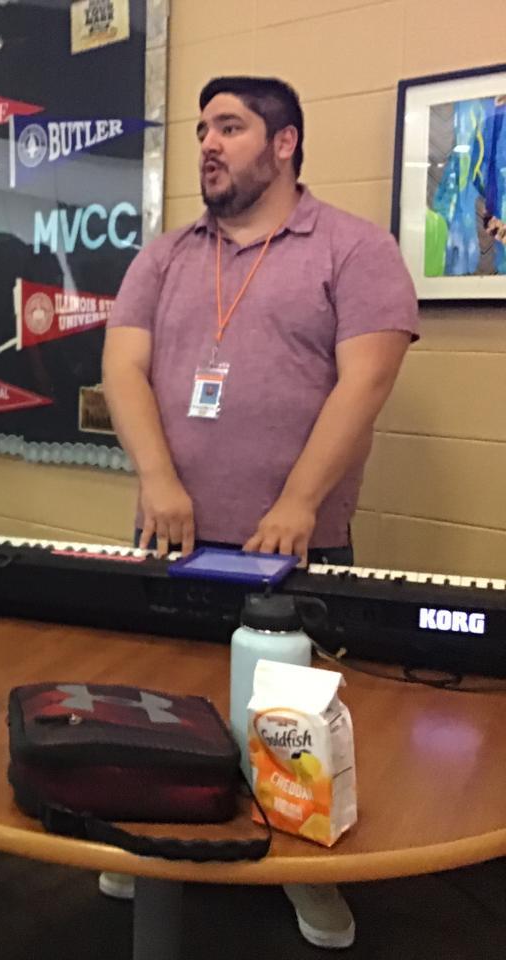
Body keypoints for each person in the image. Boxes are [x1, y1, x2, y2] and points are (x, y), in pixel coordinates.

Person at [101, 77, 418, 950]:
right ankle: (151, 848)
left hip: (295, 546)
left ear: (284, 143)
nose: (208, 142)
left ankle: (302, 869)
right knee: (161, 712)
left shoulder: (354, 248)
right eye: (203, 127)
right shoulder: (164, 257)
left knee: (291, 724)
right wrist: (158, 479)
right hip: (169, 538)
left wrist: (299, 504)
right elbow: (122, 368)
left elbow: (367, 381)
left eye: (231, 127)